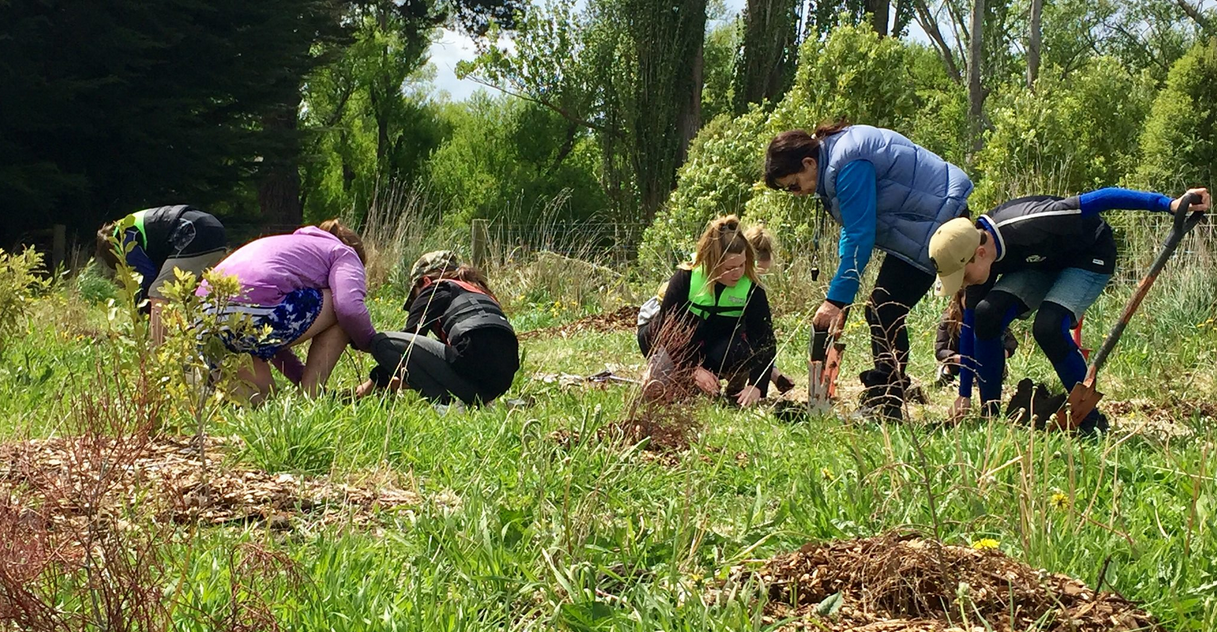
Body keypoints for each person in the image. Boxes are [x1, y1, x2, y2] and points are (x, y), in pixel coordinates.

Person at [929, 186, 1211, 432]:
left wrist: (1169, 204)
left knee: (1048, 326)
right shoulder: (977, 257)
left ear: (979, 253)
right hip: (1041, 265)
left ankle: (1089, 419)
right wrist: (963, 394)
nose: (964, 283)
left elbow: (1104, 198)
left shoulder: (1030, 222)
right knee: (986, 313)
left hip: (1089, 256)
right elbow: (969, 326)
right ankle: (989, 414)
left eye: (963, 276)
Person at [765, 121, 972, 420]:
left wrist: (835, 301)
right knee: (882, 309)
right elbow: (852, 230)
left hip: (940, 221)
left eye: (794, 184)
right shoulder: (836, 157)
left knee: (884, 309)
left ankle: (887, 402)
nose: (796, 193)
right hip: (925, 223)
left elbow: (860, 235)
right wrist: (842, 298)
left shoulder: (847, 163)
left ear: (808, 162)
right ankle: (888, 392)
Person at [203, 219, 376, 403]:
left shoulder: (287, 245)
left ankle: (211, 389)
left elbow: (274, 337)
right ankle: (310, 398)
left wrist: (299, 377)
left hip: (205, 318)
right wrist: (370, 344)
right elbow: (349, 309)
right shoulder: (344, 253)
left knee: (262, 399)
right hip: (256, 313)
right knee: (339, 308)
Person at [641, 216, 776, 407]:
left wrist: (757, 386)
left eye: (742, 265)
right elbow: (664, 334)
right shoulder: (685, 278)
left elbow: (765, 340)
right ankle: (681, 379)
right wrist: (692, 369)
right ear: (712, 263)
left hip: (714, 343)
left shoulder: (752, 288)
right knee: (656, 391)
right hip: (671, 343)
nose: (738, 273)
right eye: (730, 268)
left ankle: (724, 384)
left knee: (740, 349)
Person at [355, 251, 520, 407]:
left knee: (382, 342)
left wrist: (372, 383)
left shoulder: (436, 288)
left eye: (415, 295)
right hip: (499, 383)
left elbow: (408, 342)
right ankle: (468, 405)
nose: (416, 299)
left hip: (469, 364)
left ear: (425, 281)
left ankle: (442, 406)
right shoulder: (481, 293)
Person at [96, 205, 227, 342]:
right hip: (215, 229)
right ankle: (208, 341)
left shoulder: (125, 239)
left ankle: (158, 352)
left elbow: (148, 276)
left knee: (157, 291)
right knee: (199, 293)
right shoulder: (129, 224)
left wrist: (140, 310)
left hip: (193, 232)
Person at [934, 289, 1017, 386]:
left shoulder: (990, 316)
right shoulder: (949, 319)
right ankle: (947, 374)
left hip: (985, 362)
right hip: (958, 360)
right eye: (969, 300)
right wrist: (959, 359)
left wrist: (998, 356)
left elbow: (1011, 343)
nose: (973, 304)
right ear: (960, 298)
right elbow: (940, 351)